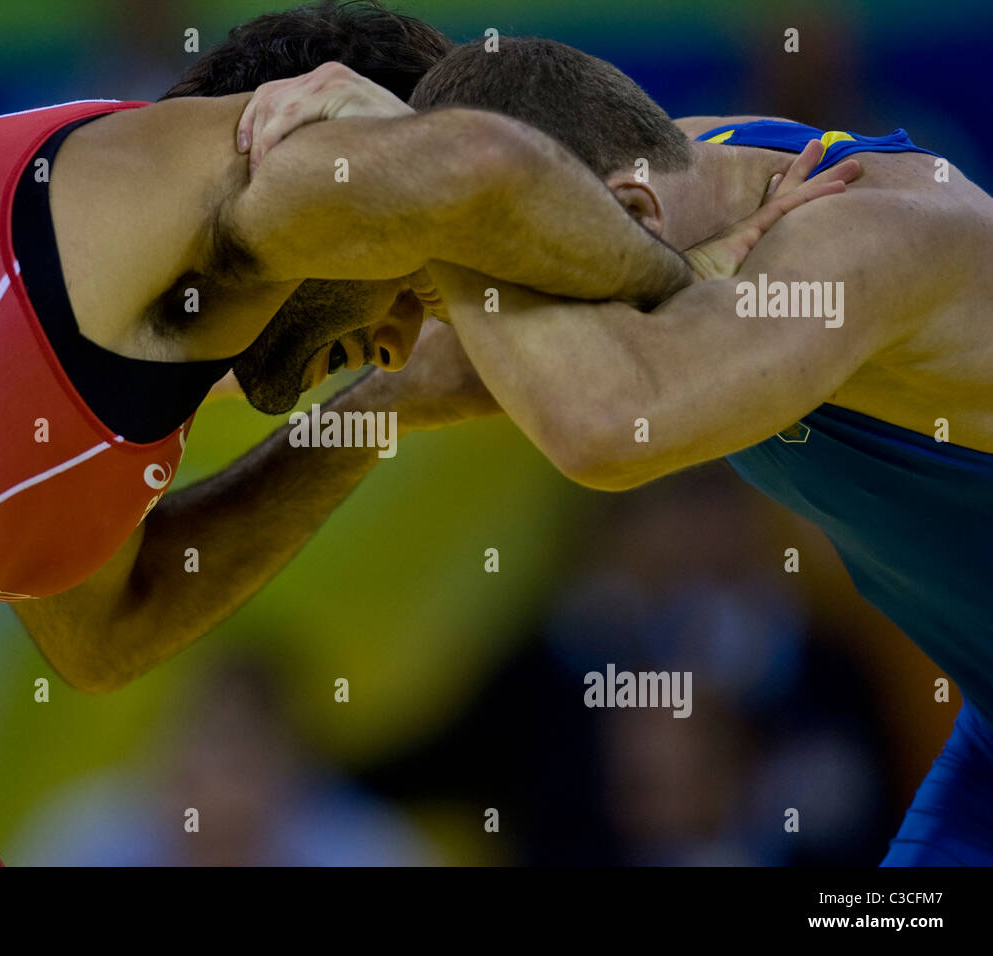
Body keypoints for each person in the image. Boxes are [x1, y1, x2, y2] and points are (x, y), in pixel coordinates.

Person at [0, 3, 826, 865]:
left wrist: (386, 412)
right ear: (321, 123)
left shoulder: (90, 281)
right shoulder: (224, 165)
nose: (395, 339)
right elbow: (473, 164)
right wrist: (679, 299)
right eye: (413, 291)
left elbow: (105, 638)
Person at [247, 35, 993, 865]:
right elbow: (441, 368)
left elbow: (600, 431)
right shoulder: (674, 182)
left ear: (634, 218)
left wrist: (446, 199)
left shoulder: (868, 233)